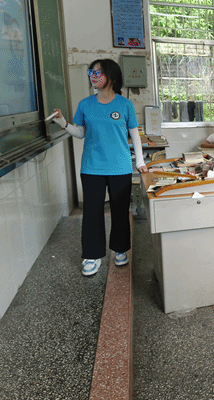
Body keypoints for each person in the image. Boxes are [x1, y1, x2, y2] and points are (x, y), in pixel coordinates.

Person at [52, 59, 147, 276]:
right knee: (92, 212)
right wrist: (63, 123)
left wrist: (140, 162)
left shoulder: (125, 105)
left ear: (111, 76)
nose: (93, 76)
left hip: (120, 167)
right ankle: (92, 256)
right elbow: (80, 133)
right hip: (92, 167)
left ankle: (120, 250)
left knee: (120, 211)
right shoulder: (85, 104)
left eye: (98, 73)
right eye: (91, 72)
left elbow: (135, 135)